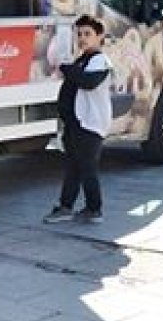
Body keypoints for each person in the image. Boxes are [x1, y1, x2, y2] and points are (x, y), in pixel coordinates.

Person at [43, 15, 113, 226]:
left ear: (99, 36)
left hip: (90, 124)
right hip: (76, 124)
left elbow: (88, 82)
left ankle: (94, 208)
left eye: (88, 34)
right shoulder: (81, 60)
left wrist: (66, 68)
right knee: (75, 166)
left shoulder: (99, 61)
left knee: (86, 167)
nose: (82, 38)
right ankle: (66, 206)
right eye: (79, 34)